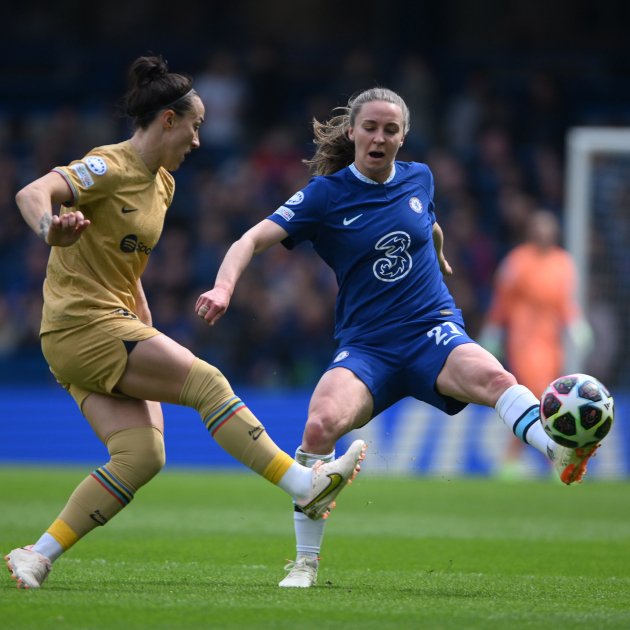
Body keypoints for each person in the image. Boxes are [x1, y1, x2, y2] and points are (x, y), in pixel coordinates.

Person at [195, 87, 603, 589]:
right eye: (370, 127)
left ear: (402, 137)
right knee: (320, 424)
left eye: (391, 130)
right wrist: (223, 285)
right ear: (353, 132)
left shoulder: (419, 177)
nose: (379, 137)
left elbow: (428, 223)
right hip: (367, 346)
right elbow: (250, 239)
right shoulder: (325, 195)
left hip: (431, 329)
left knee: (495, 375)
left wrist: (439, 252)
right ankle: (304, 562)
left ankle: (557, 451)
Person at [4, 55, 366, 590]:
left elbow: (128, 267)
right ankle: (302, 484)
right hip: (81, 326)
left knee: (141, 456)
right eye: (195, 126)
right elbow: (31, 193)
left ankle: (37, 554)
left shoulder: (163, 184)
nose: (199, 140)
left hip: (101, 328)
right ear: (168, 120)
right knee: (207, 382)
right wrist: (48, 229)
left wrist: (146, 322)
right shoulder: (108, 166)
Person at [480, 209, 592, 477]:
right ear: (531, 231)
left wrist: (575, 324)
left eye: (548, 229)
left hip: (551, 343)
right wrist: (494, 330)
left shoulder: (563, 263)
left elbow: (565, 302)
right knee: (539, 396)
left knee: (547, 400)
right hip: (524, 341)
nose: (543, 234)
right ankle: (552, 459)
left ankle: (513, 460)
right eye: (539, 228)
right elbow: (502, 301)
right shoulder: (517, 262)